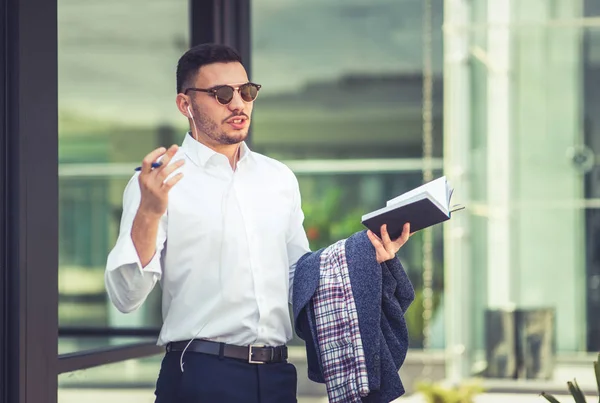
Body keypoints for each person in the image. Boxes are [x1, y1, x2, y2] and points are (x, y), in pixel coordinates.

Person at [104, 43, 411, 403]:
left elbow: (299, 276)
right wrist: (150, 213)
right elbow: (126, 297)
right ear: (185, 104)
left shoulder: (278, 177)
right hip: (200, 374)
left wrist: (365, 256)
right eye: (221, 94)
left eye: (246, 92)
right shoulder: (160, 182)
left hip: (278, 377)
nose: (238, 104)